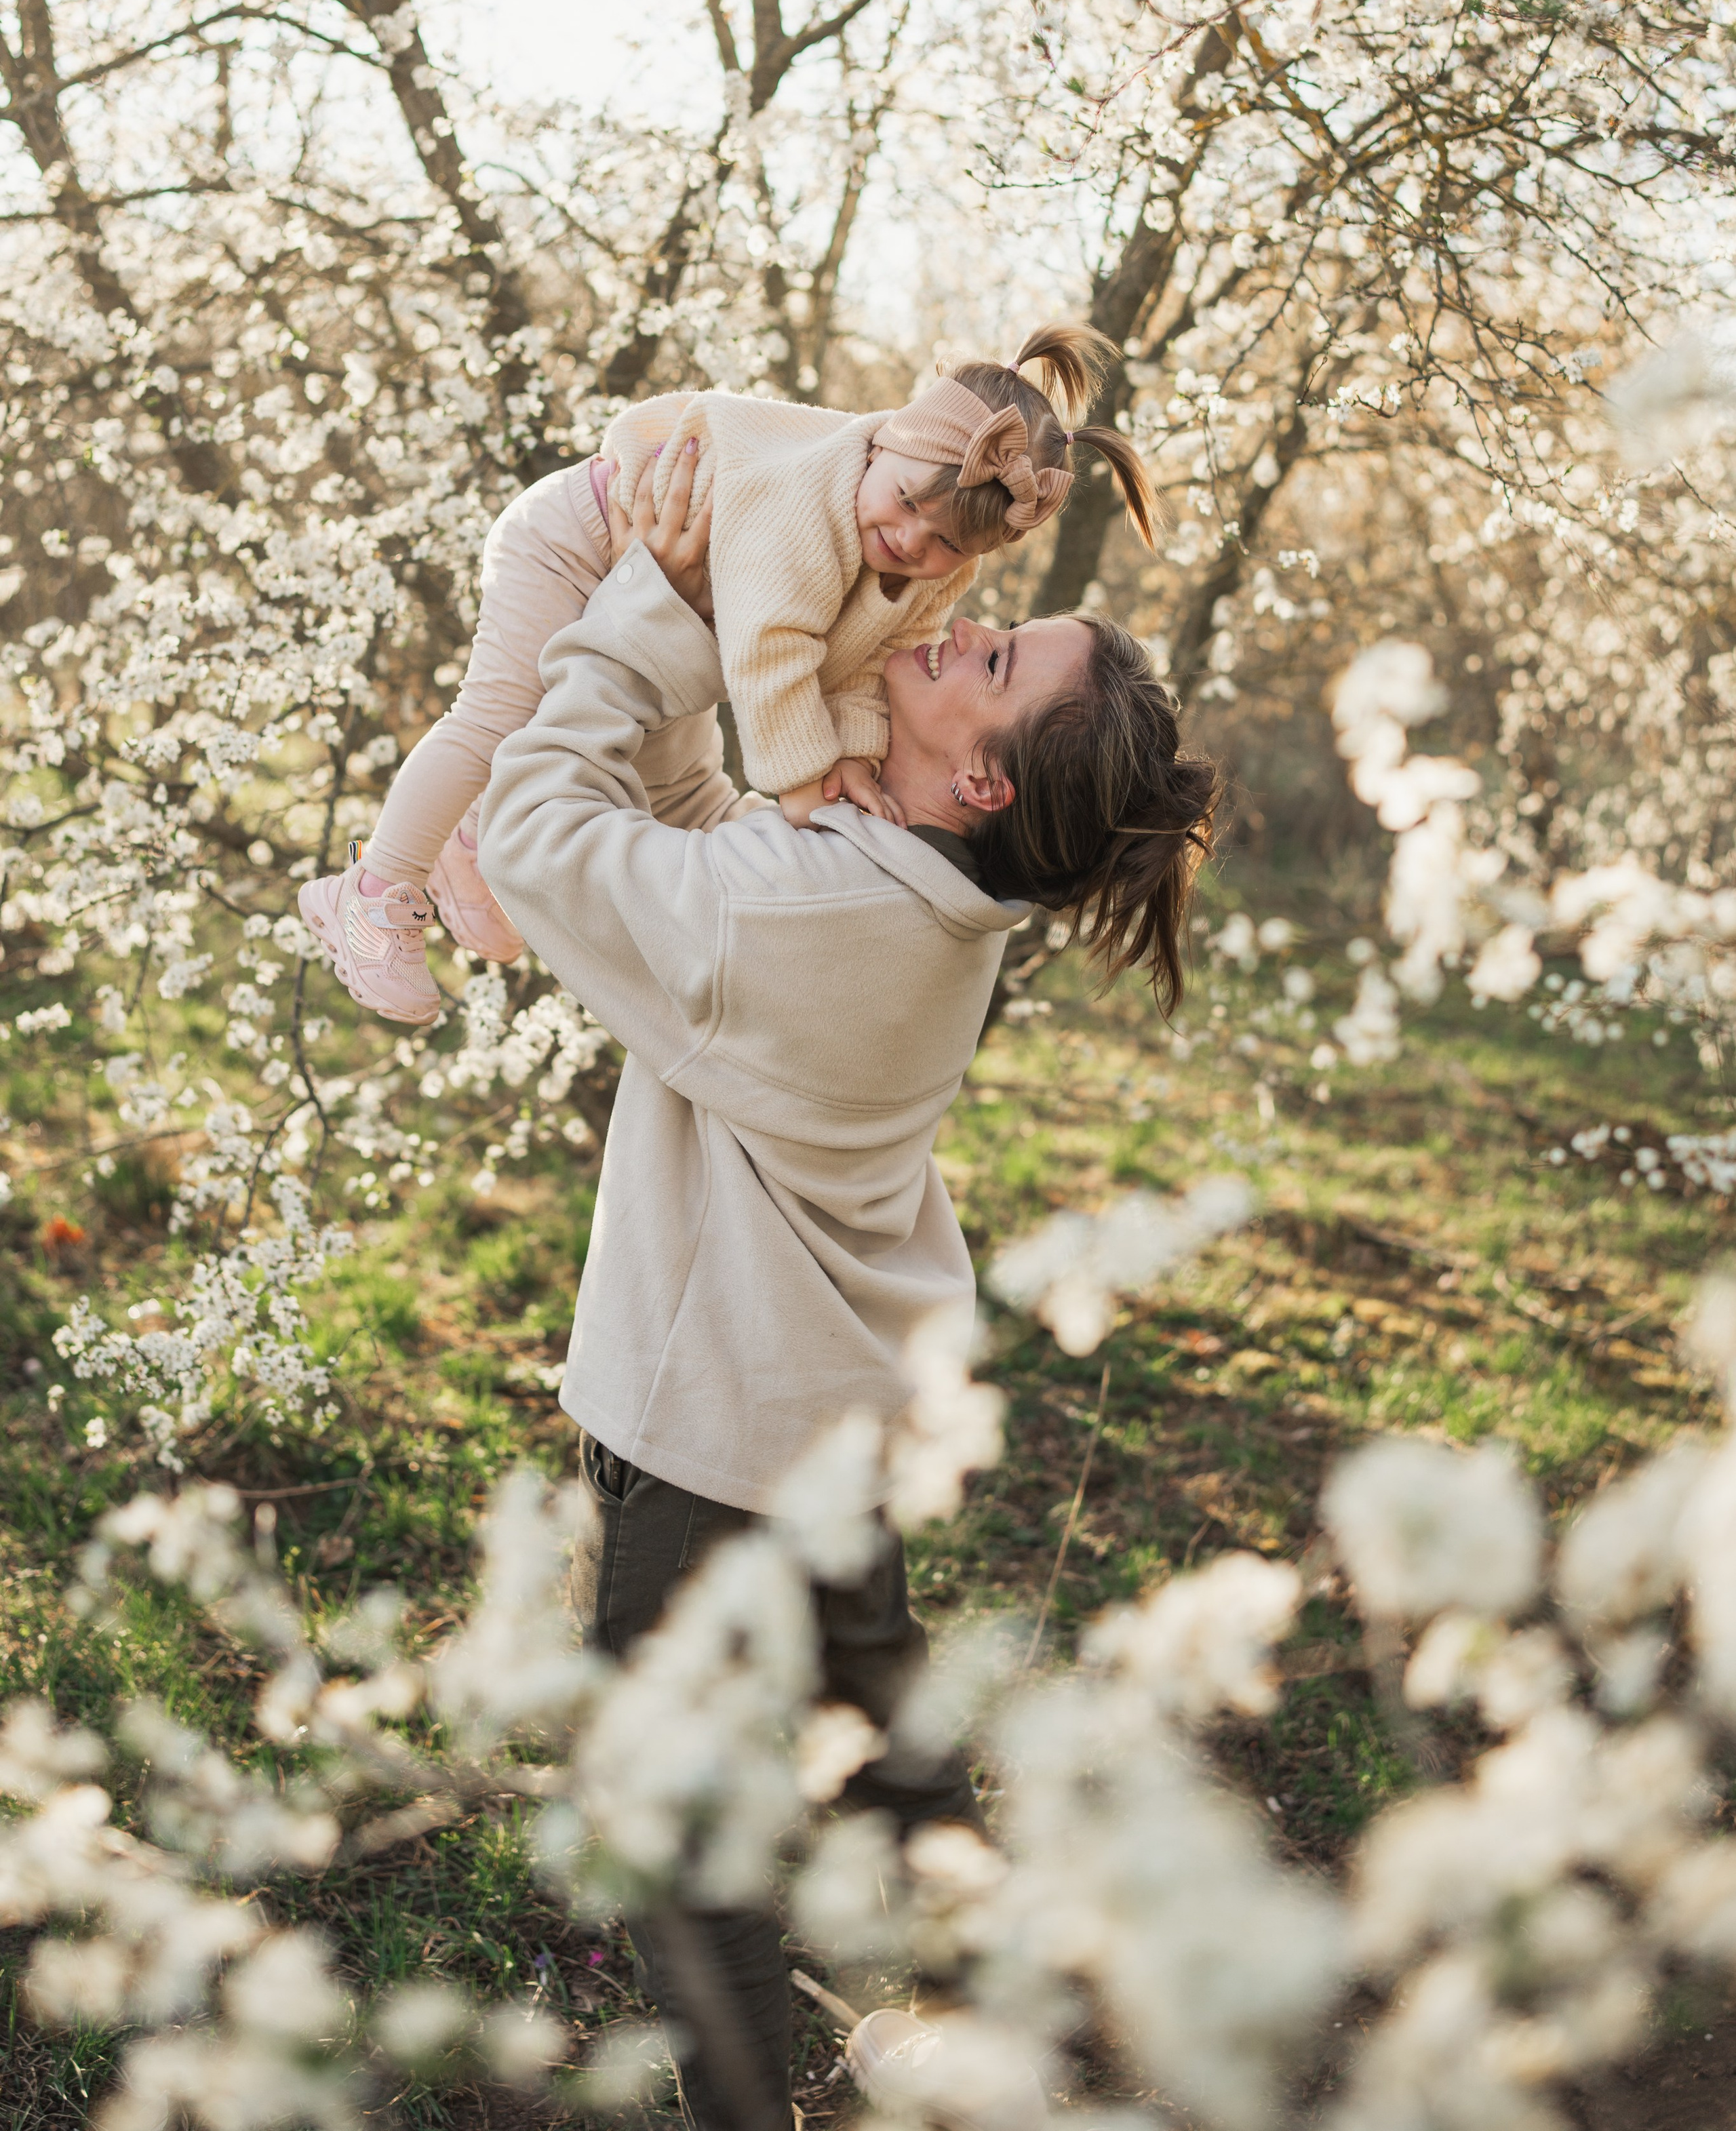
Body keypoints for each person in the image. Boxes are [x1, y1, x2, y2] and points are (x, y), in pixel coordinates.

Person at [474, 444, 1219, 2131]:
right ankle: (960, 2019)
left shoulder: (822, 912)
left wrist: (654, 604)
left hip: (721, 1445)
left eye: (996, 662)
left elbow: (535, 836)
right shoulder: (900, 891)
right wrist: (688, 619)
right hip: (835, 1411)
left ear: (976, 783)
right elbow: (682, 851)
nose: (968, 630)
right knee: (885, 1736)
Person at [296, 328, 1157, 1027]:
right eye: (904, 503)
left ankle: (477, 834)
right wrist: (800, 784)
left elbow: (866, 665)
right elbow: (771, 649)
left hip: (658, 589)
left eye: (945, 544)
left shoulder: (926, 560)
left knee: (646, 767)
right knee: (494, 717)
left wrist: (854, 753)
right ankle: (372, 890)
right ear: (884, 439)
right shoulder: (811, 498)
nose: (909, 543)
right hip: (582, 539)